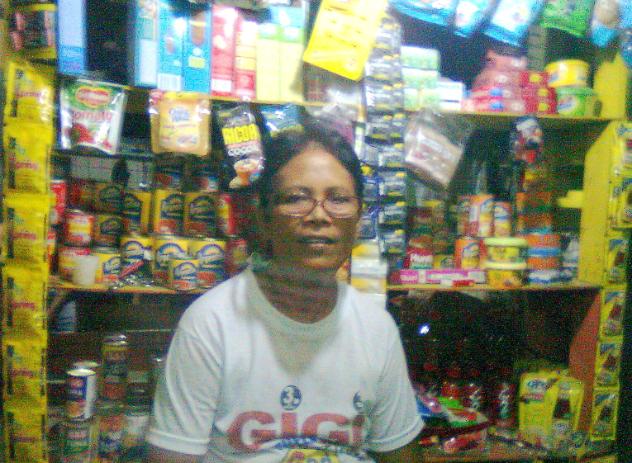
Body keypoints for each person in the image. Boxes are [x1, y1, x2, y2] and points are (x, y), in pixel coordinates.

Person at [146, 122, 424, 462]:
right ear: (263, 217)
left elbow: (400, 452)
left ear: (358, 221)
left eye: (338, 199)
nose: (319, 216)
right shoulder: (211, 324)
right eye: (296, 198)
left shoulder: (376, 328)